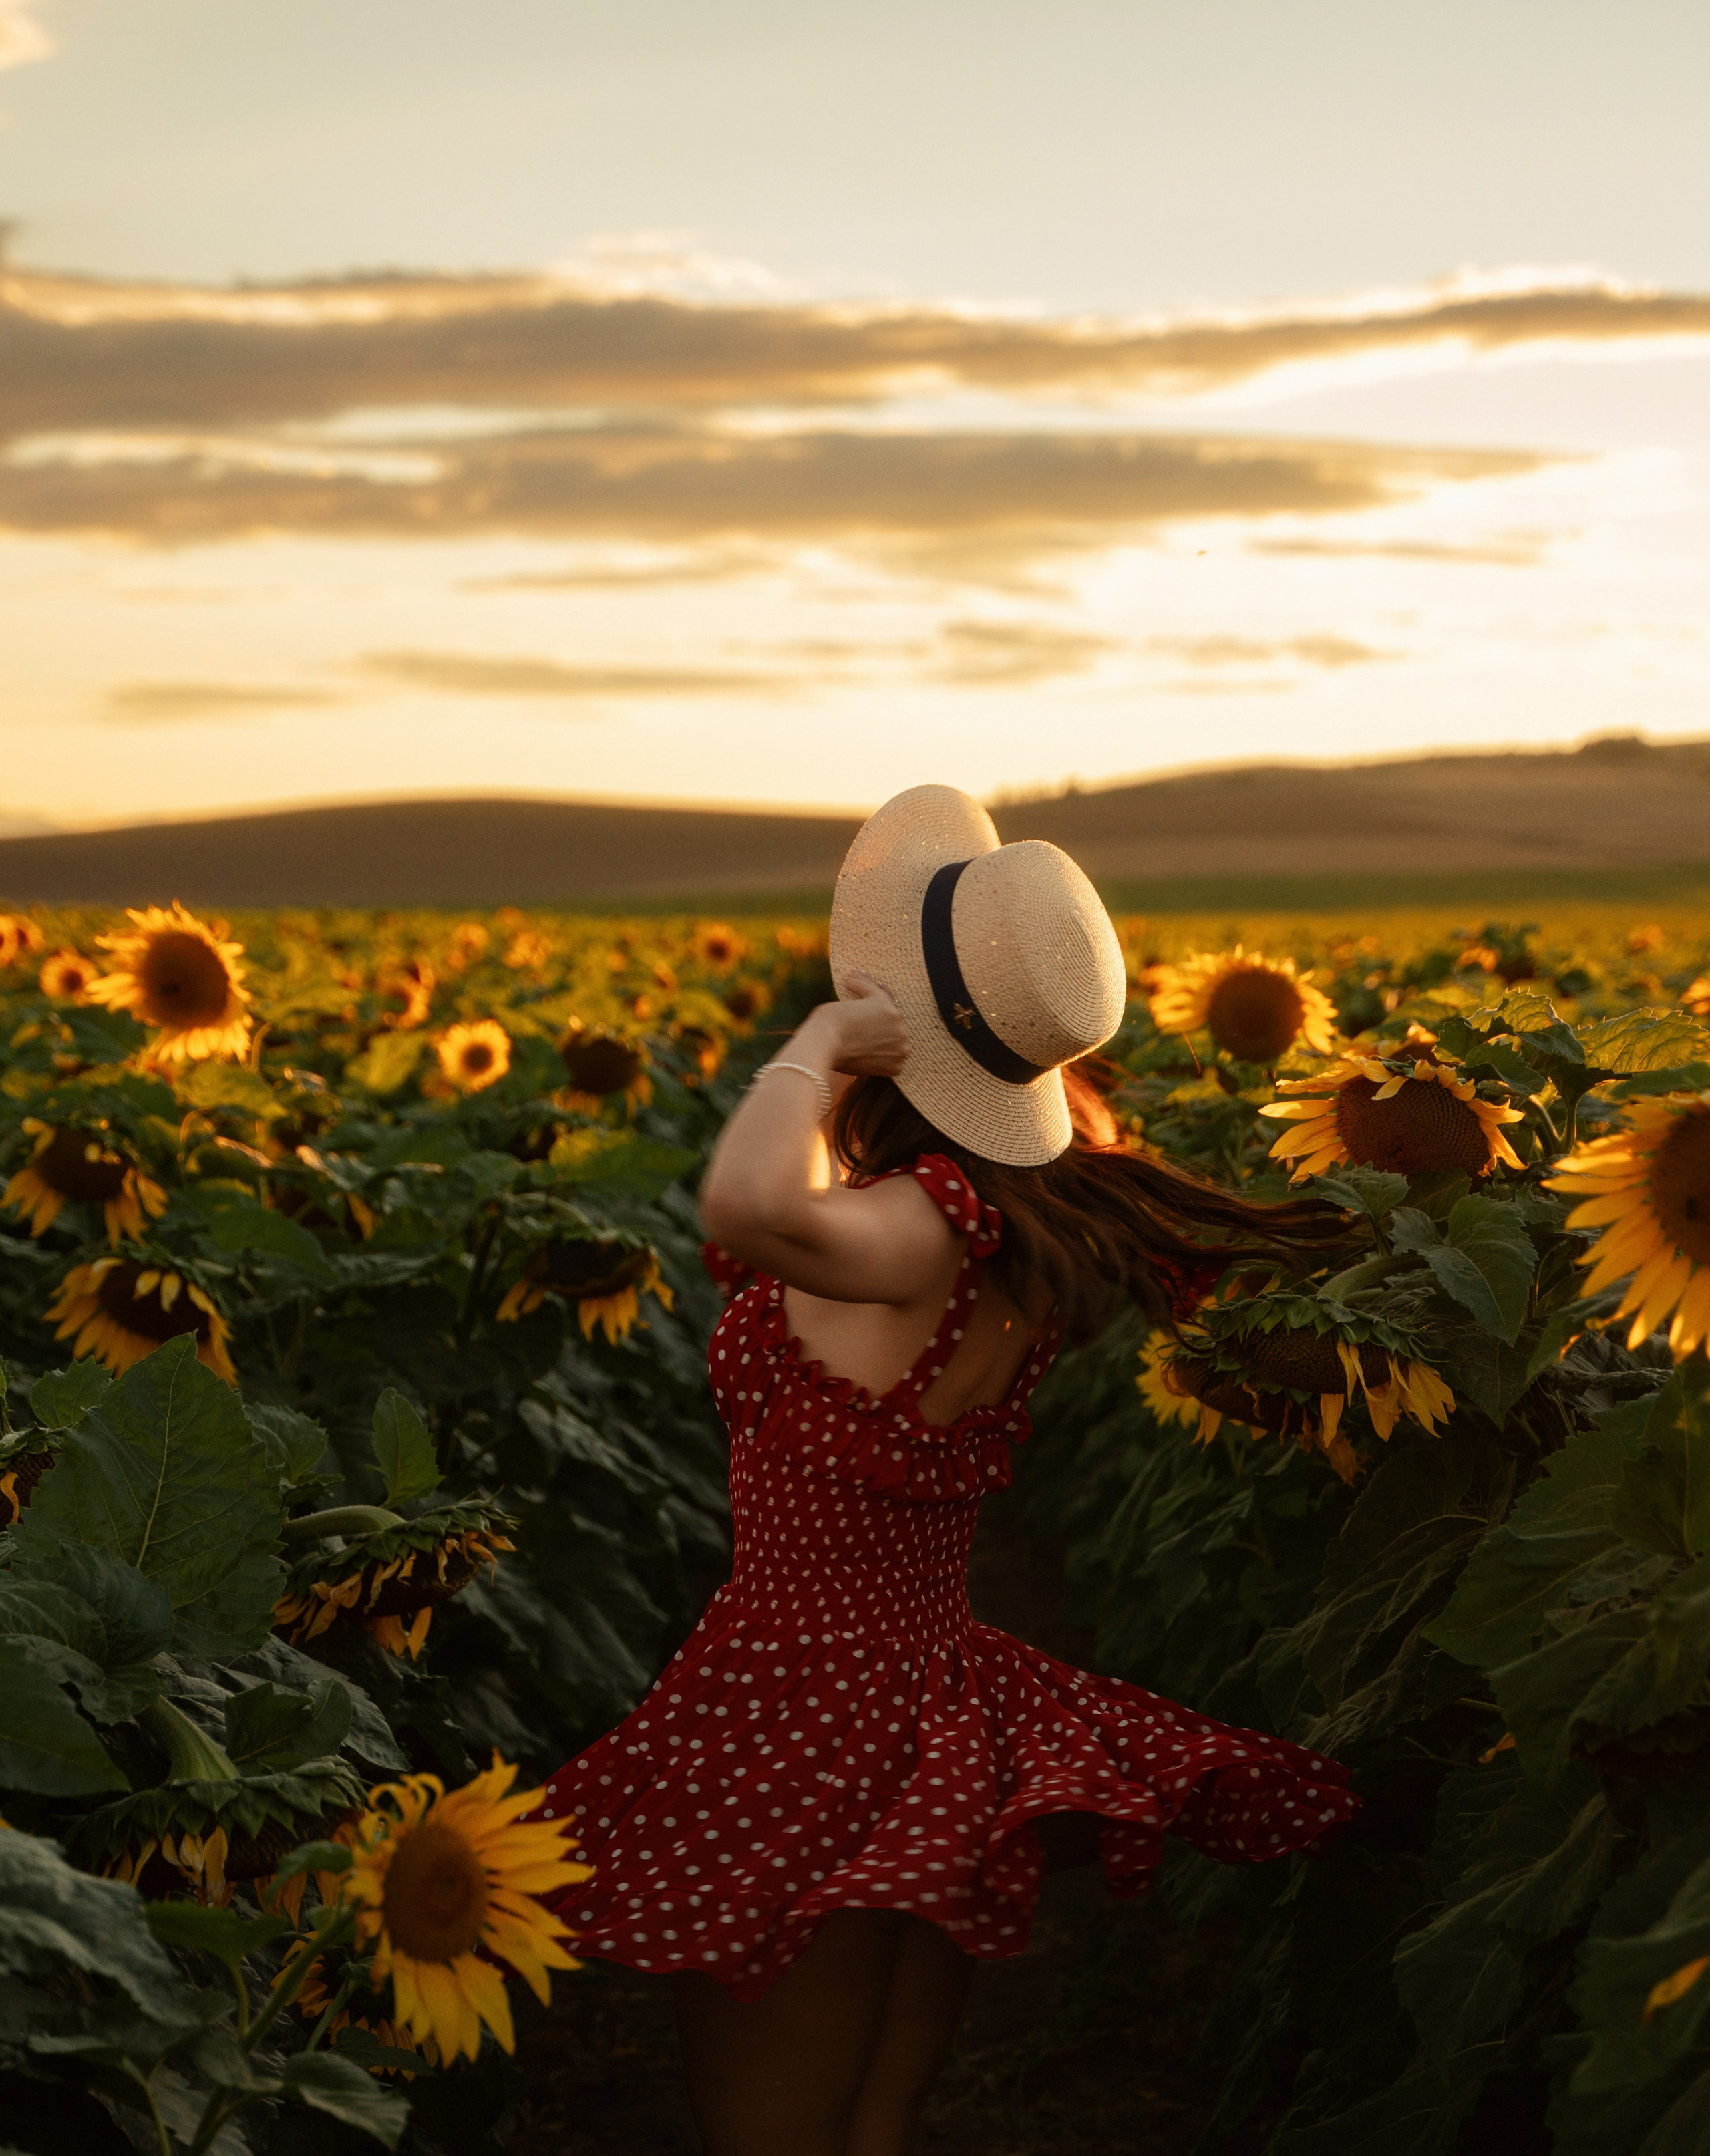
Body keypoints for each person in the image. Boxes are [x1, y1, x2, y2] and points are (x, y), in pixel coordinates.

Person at [531, 786, 1361, 2156]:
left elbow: (741, 1209)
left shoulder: (915, 1230)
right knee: (871, 2128)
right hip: (922, 1703)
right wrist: (858, 1074)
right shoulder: (996, 1224)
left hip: (796, 1714)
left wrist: (811, 1044)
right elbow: (790, 1224)